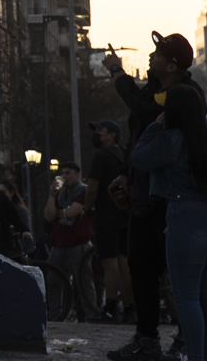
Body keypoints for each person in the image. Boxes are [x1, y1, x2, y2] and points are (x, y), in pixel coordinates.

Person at [104, 32, 201, 361]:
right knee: (141, 268)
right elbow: (139, 135)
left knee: (180, 273)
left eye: (157, 54)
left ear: (172, 65)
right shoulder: (154, 93)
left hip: (175, 200)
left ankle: (188, 341)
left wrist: (118, 73)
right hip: (145, 198)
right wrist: (126, 173)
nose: (150, 57)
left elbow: (146, 113)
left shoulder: (185, 95)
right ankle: (146, 340)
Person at [131, 85, 207, 361]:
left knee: (187, 298)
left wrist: (153, 127)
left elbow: (139, 159)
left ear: (172, 110)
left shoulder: (170, 139)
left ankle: (196, 358)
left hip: (188, 219)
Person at [84, 121, 132, 322]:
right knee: (124, 263)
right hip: (125, 215)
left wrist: (87, 208)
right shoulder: (123, 154)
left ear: (111, 135)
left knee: (109, 263)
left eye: (100, 132)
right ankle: (130, 308)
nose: (97, 135)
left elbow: (93, 186)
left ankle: (110, 309)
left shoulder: (101, 156)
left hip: (106, 216)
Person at [45, 162, 99, 320]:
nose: (64, 176)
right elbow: (49, 216)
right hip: (58, 243)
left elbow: (73, 211)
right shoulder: (60, 194)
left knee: (83, 282)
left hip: (78, 243)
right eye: (62, 173)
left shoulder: (83, 191)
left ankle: (91, 315)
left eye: (68, 173)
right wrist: (52, 195)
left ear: (77, 175)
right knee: (53, 280)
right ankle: (55, 314)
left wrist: (59, 213)